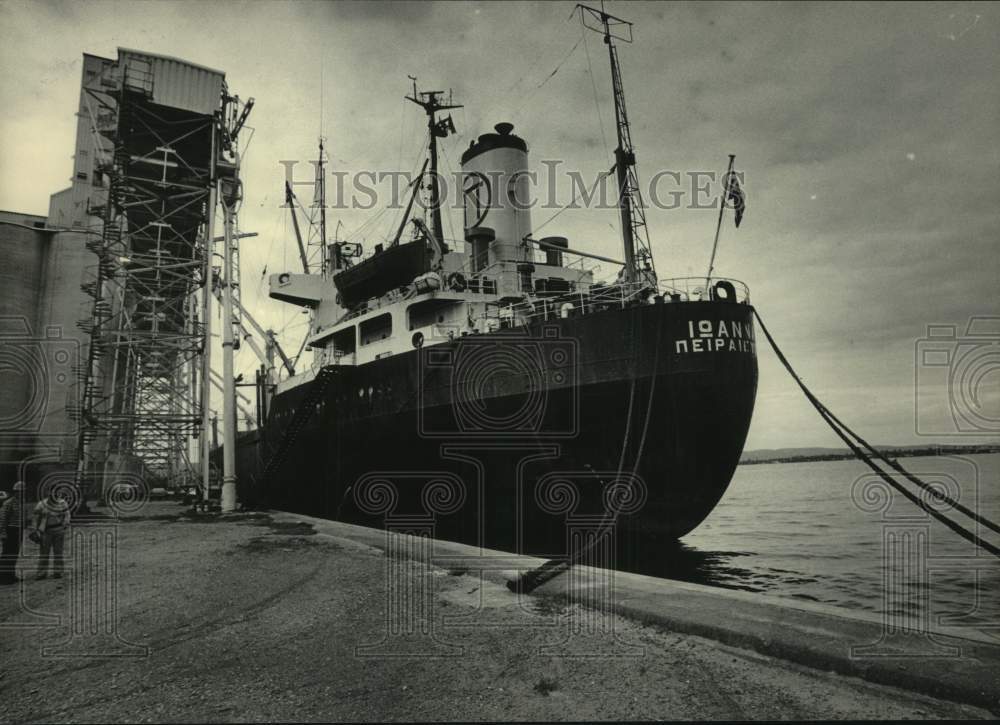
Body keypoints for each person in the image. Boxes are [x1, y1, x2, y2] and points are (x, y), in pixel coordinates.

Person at [33, 489, 71, 579]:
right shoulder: (41, 504)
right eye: (51, 493)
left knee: (58, 552)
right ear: (48, 493)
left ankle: (58, 572)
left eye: (55, 493)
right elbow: (35, 517)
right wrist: (35, 529)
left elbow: (67, 514)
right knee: (44, 553)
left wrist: (65, 524)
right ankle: (41, 573)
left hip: (58, 529)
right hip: (46, 530)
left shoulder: (62, 503)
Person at [0, 482, 27, 585]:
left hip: (18, 530)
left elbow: (24, 516)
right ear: (15, 492)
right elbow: (2, 519)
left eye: (23, 491)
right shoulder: (8, 503)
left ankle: (11, 575)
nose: (21, 493)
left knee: (14, 553)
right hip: (10, 530)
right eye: (19, 492)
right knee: (7, 554)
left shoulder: (22, 502)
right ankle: (3, 577)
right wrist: (2, 533)